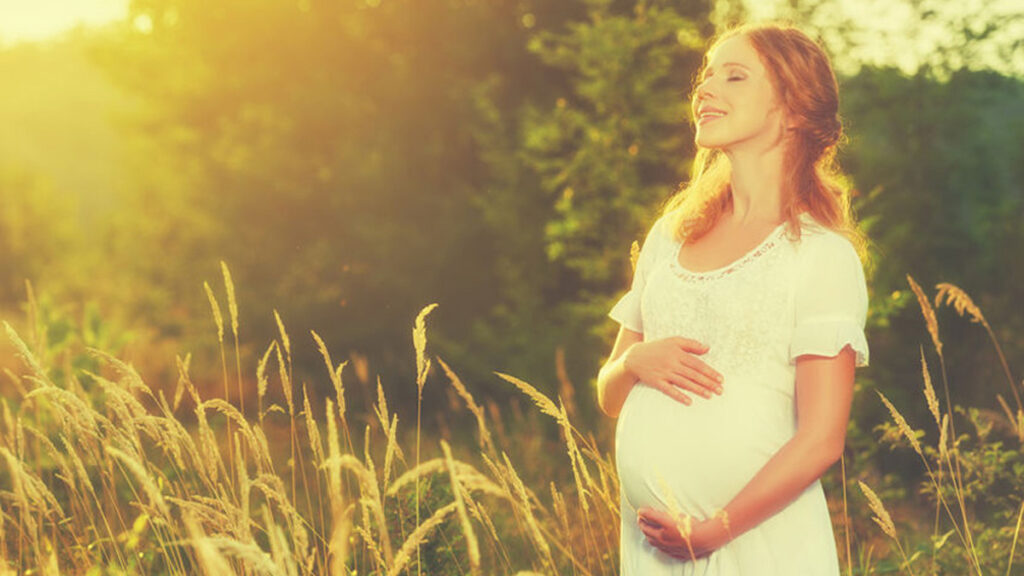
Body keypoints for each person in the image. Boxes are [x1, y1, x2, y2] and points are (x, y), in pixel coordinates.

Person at [596, 22, 871, 575]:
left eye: (734, 75)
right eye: (706, 75)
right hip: (656, 550)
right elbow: (609, 393)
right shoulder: (671, 235)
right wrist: (632, 362)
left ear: (792, 109)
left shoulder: (820, 256)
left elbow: (821, 440)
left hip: (759, 546)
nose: (704, 88)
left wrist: (714, 529)